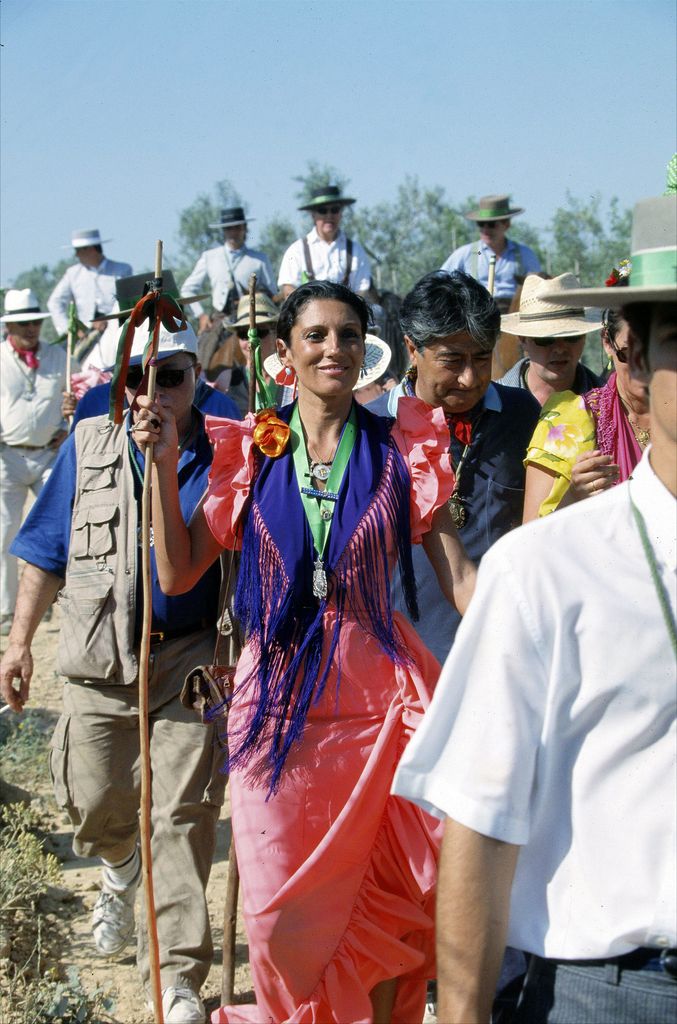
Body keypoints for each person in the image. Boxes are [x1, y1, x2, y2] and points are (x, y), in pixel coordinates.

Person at [133, 280, 476, 1024]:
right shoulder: (251, 450)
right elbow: (176, 571)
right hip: (275, 715)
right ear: (282, 354)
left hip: (379, 712)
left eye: (348, 335)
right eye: (315, 335)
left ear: (365, 350)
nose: (334, 349)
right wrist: (162, 463)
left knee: (387, 905)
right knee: (278, 919)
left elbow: (462, 583)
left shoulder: (401, 447)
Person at [392, 194, 677, 1024]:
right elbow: (479, 828)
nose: (551, 355)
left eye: (563, 344)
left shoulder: (525, 417)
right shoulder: (550, 567)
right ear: (635, 364)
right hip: (615, 987)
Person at [0, 320, 227, 1024]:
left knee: (182, 816)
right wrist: (19, 643)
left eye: (171, 377)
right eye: (138, 377)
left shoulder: (227, 449)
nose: (151, 392)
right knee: (94, 804)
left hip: (190, 656)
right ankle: (117, 866)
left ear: (197, 379)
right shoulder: (88, 445)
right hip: (99, 656)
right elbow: (44, 548)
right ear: (116, 381)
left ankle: (177, 978)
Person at [369, 270, 540, 663]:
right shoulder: (372, 430)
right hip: (402, 661)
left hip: (501, 647)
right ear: (413, 348)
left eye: (482, 358)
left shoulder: (522, 415)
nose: (469, 377)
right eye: (452, 360)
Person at [523, 299, 651, 519]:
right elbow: (532, 538)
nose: (646, 366)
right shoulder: (568, 420)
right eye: (629, 353)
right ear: (607, 343)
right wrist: (573, 496)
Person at [0, 289, 71, 637]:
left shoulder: (59, 355)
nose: (31, 328)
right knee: (5, 532)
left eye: (35, 322)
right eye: (23, 323)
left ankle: (53, 605)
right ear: (10, 324)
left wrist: (65, 426)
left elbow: (71, 397)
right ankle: (6, 609)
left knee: (56, 531)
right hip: (7, 455)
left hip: (47, 453)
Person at [498, 272, 603, 404]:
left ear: (584, 337)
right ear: (523, 339)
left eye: (571, 337)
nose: (559, 349)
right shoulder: (489, 405)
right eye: (545, 339)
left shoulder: (612, 406)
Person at [182, 206, 277, 332]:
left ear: (245, 228)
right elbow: (187, 290)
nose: (233, 233)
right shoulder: (209, 257)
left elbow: (272, 293)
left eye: (237, 227)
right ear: (223, 231)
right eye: (228, 228)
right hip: (220, 319)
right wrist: (201, 315)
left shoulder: (260, 259)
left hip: (253, 319)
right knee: (204, 350)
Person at [441, 195, 541, 311]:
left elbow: (538, 286)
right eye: (481, 224)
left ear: (506, 224)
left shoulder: (525, 254)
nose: (485, 229)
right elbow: (439, 281)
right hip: (477, 316)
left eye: (492, 224)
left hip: (515, 315)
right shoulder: (466, 254)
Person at [277, 185, 373, 299]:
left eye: (334, 210)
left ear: (341, 213)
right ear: (313, 215)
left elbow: (362, 290)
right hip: (309, 313)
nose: (329, 216)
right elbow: (288, 288)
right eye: (322, 211)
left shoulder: (356, 250)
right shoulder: (296, 250)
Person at [47, 228, 133, 337]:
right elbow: (54, 302)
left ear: (91, 249)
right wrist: (70, 330)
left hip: (118, 331)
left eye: (78, 250)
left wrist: (110, 321)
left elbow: (128, 301)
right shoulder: (72, 274)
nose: (76, 255)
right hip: (86, 336)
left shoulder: (122, 270)